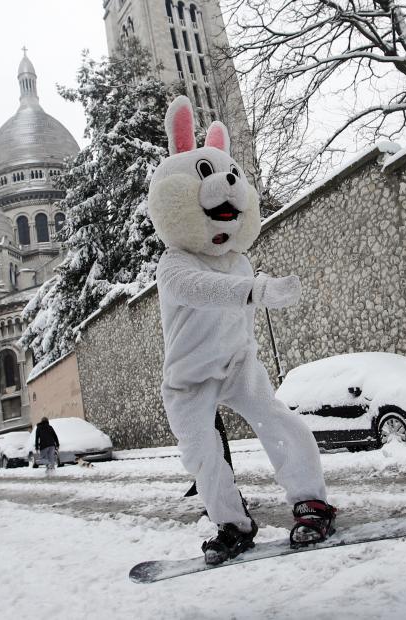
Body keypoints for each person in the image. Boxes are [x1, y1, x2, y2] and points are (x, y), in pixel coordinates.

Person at [146, 96, 336, 566]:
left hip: (236, 363)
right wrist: (255, 290)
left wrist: (256, 294)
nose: (225, 190)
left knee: (277, 420)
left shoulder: (241, 259)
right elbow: (199, 289)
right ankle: (232, 523)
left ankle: (311, 501)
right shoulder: (174, 262)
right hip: (188, 377)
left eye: (232, 179)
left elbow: (238, 300)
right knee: (202, 454)